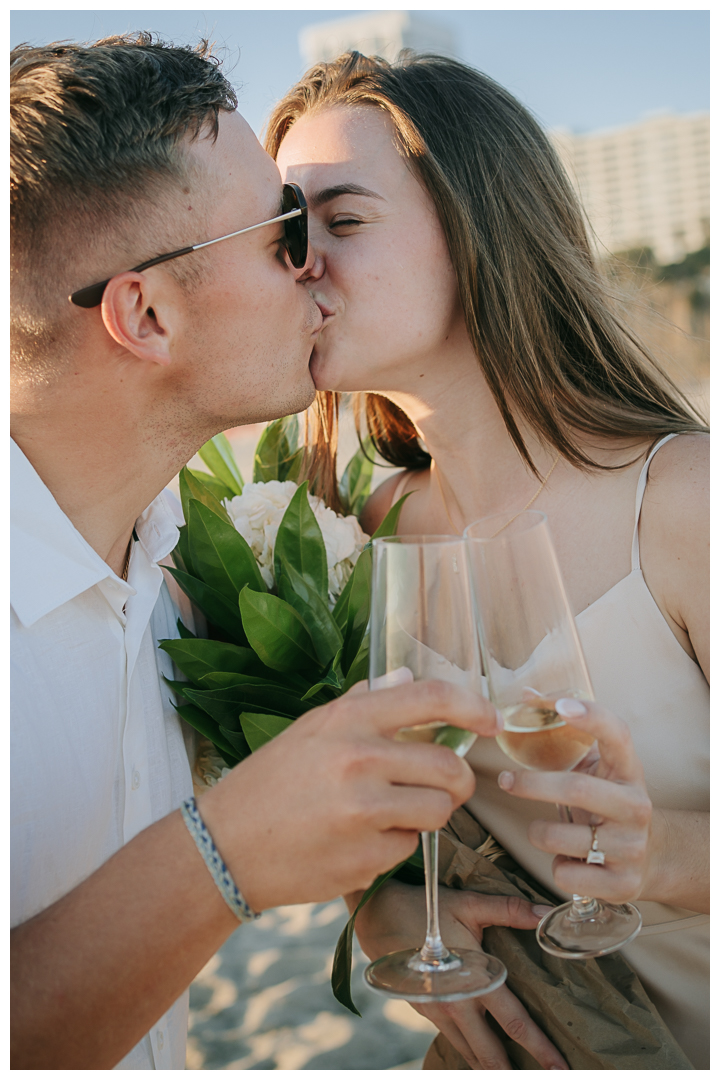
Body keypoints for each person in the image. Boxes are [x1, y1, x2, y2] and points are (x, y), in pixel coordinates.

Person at [9, 36, 556, 1070]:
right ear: (146, 313)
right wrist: (228, 859)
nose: (313, 263)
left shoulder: (184, 576)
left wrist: (386, 902)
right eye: (281, 234)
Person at [268, 51, 710, 1069]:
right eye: (287, 231)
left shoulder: (684, 499)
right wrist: (377, 901)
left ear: (481, 232)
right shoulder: (350, 530)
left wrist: (668, 855)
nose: (301, 264)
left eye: (342, 221)